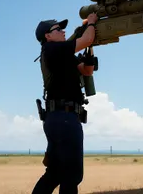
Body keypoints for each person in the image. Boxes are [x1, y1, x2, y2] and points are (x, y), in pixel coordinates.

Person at [31, 13, 98, 194]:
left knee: (56, 172)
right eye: (58, 29)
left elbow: (86, 71)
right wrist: (91, 23)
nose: (63, 32)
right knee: (72, 175)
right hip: (64, 119)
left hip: (59, 119)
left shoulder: (62, 54)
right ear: (48, 36)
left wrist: (90, 52)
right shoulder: (52, 49)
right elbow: (86, 39)